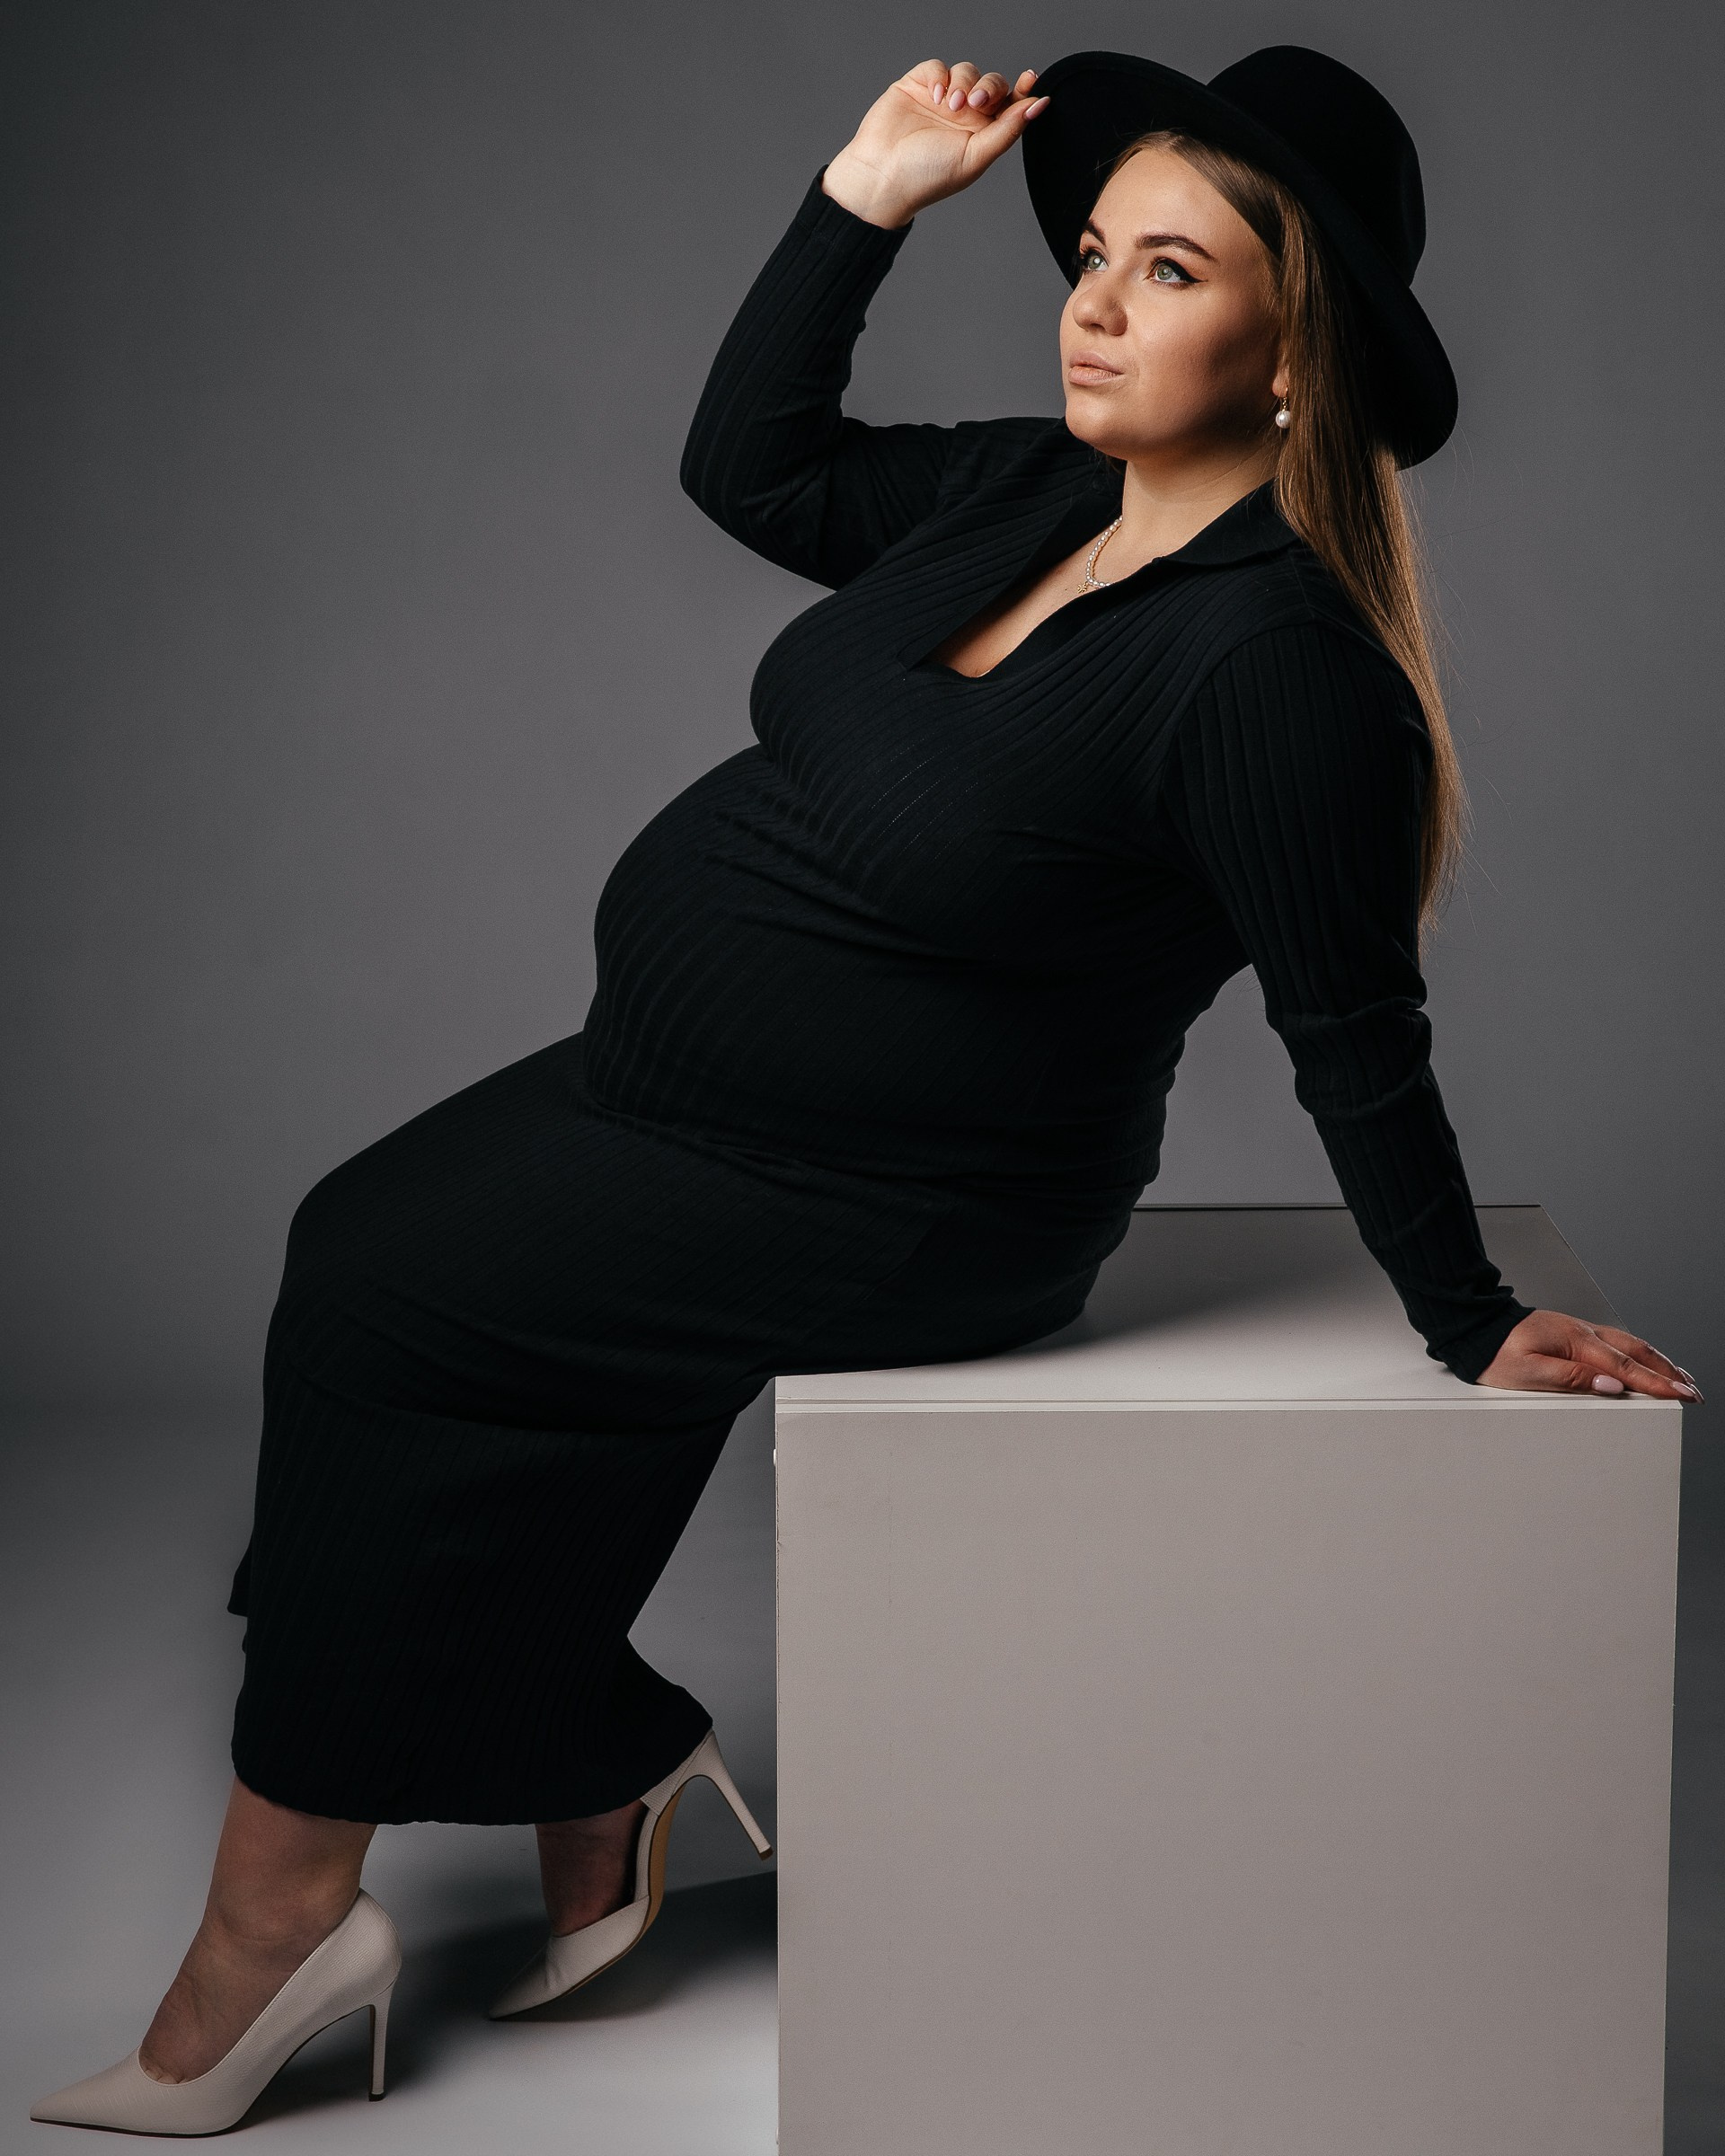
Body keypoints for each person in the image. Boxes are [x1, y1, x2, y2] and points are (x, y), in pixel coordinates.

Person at [32, 42, 1700, 2136]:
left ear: (1295, 352)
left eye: (1170, 271)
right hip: (681, 1106)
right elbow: (751, 471)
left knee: (390, 1287)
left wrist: (1470, 1317)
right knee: (399, 1260)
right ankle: (593, 1757)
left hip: (906, 1198)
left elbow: (1353, 1029)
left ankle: (274, 1926)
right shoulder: (1027, 489)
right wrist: (862, 204)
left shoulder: (1278, 673)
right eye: (1092, 257)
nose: (1095, 306)